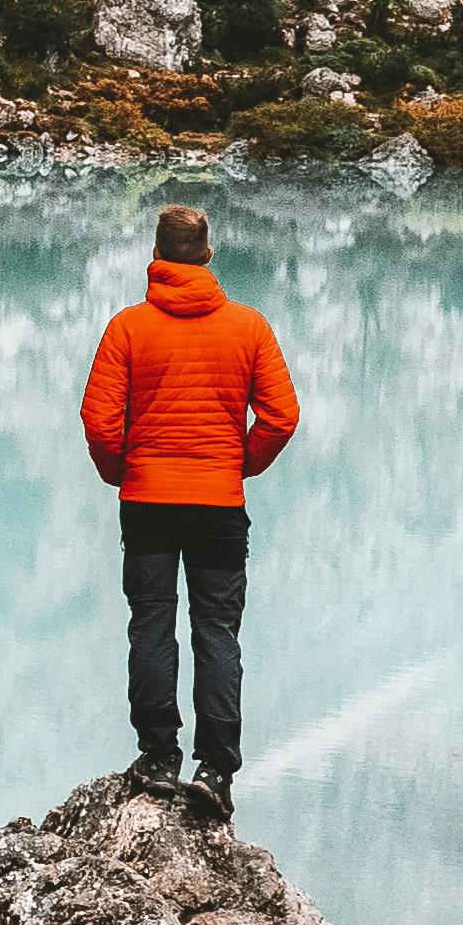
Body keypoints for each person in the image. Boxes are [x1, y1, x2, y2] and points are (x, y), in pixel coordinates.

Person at [76, 201, 298, 807]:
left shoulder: (128, 327)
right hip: (218, 506)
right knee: (217, 629)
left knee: (151, 622)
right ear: (207, 255)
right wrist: (238, 464)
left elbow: (98, 421)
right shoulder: (248, 327)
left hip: (147, 501)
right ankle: (215, 772)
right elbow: (282, 416)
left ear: (156, 257)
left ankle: (157, 756)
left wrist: (123, 471)